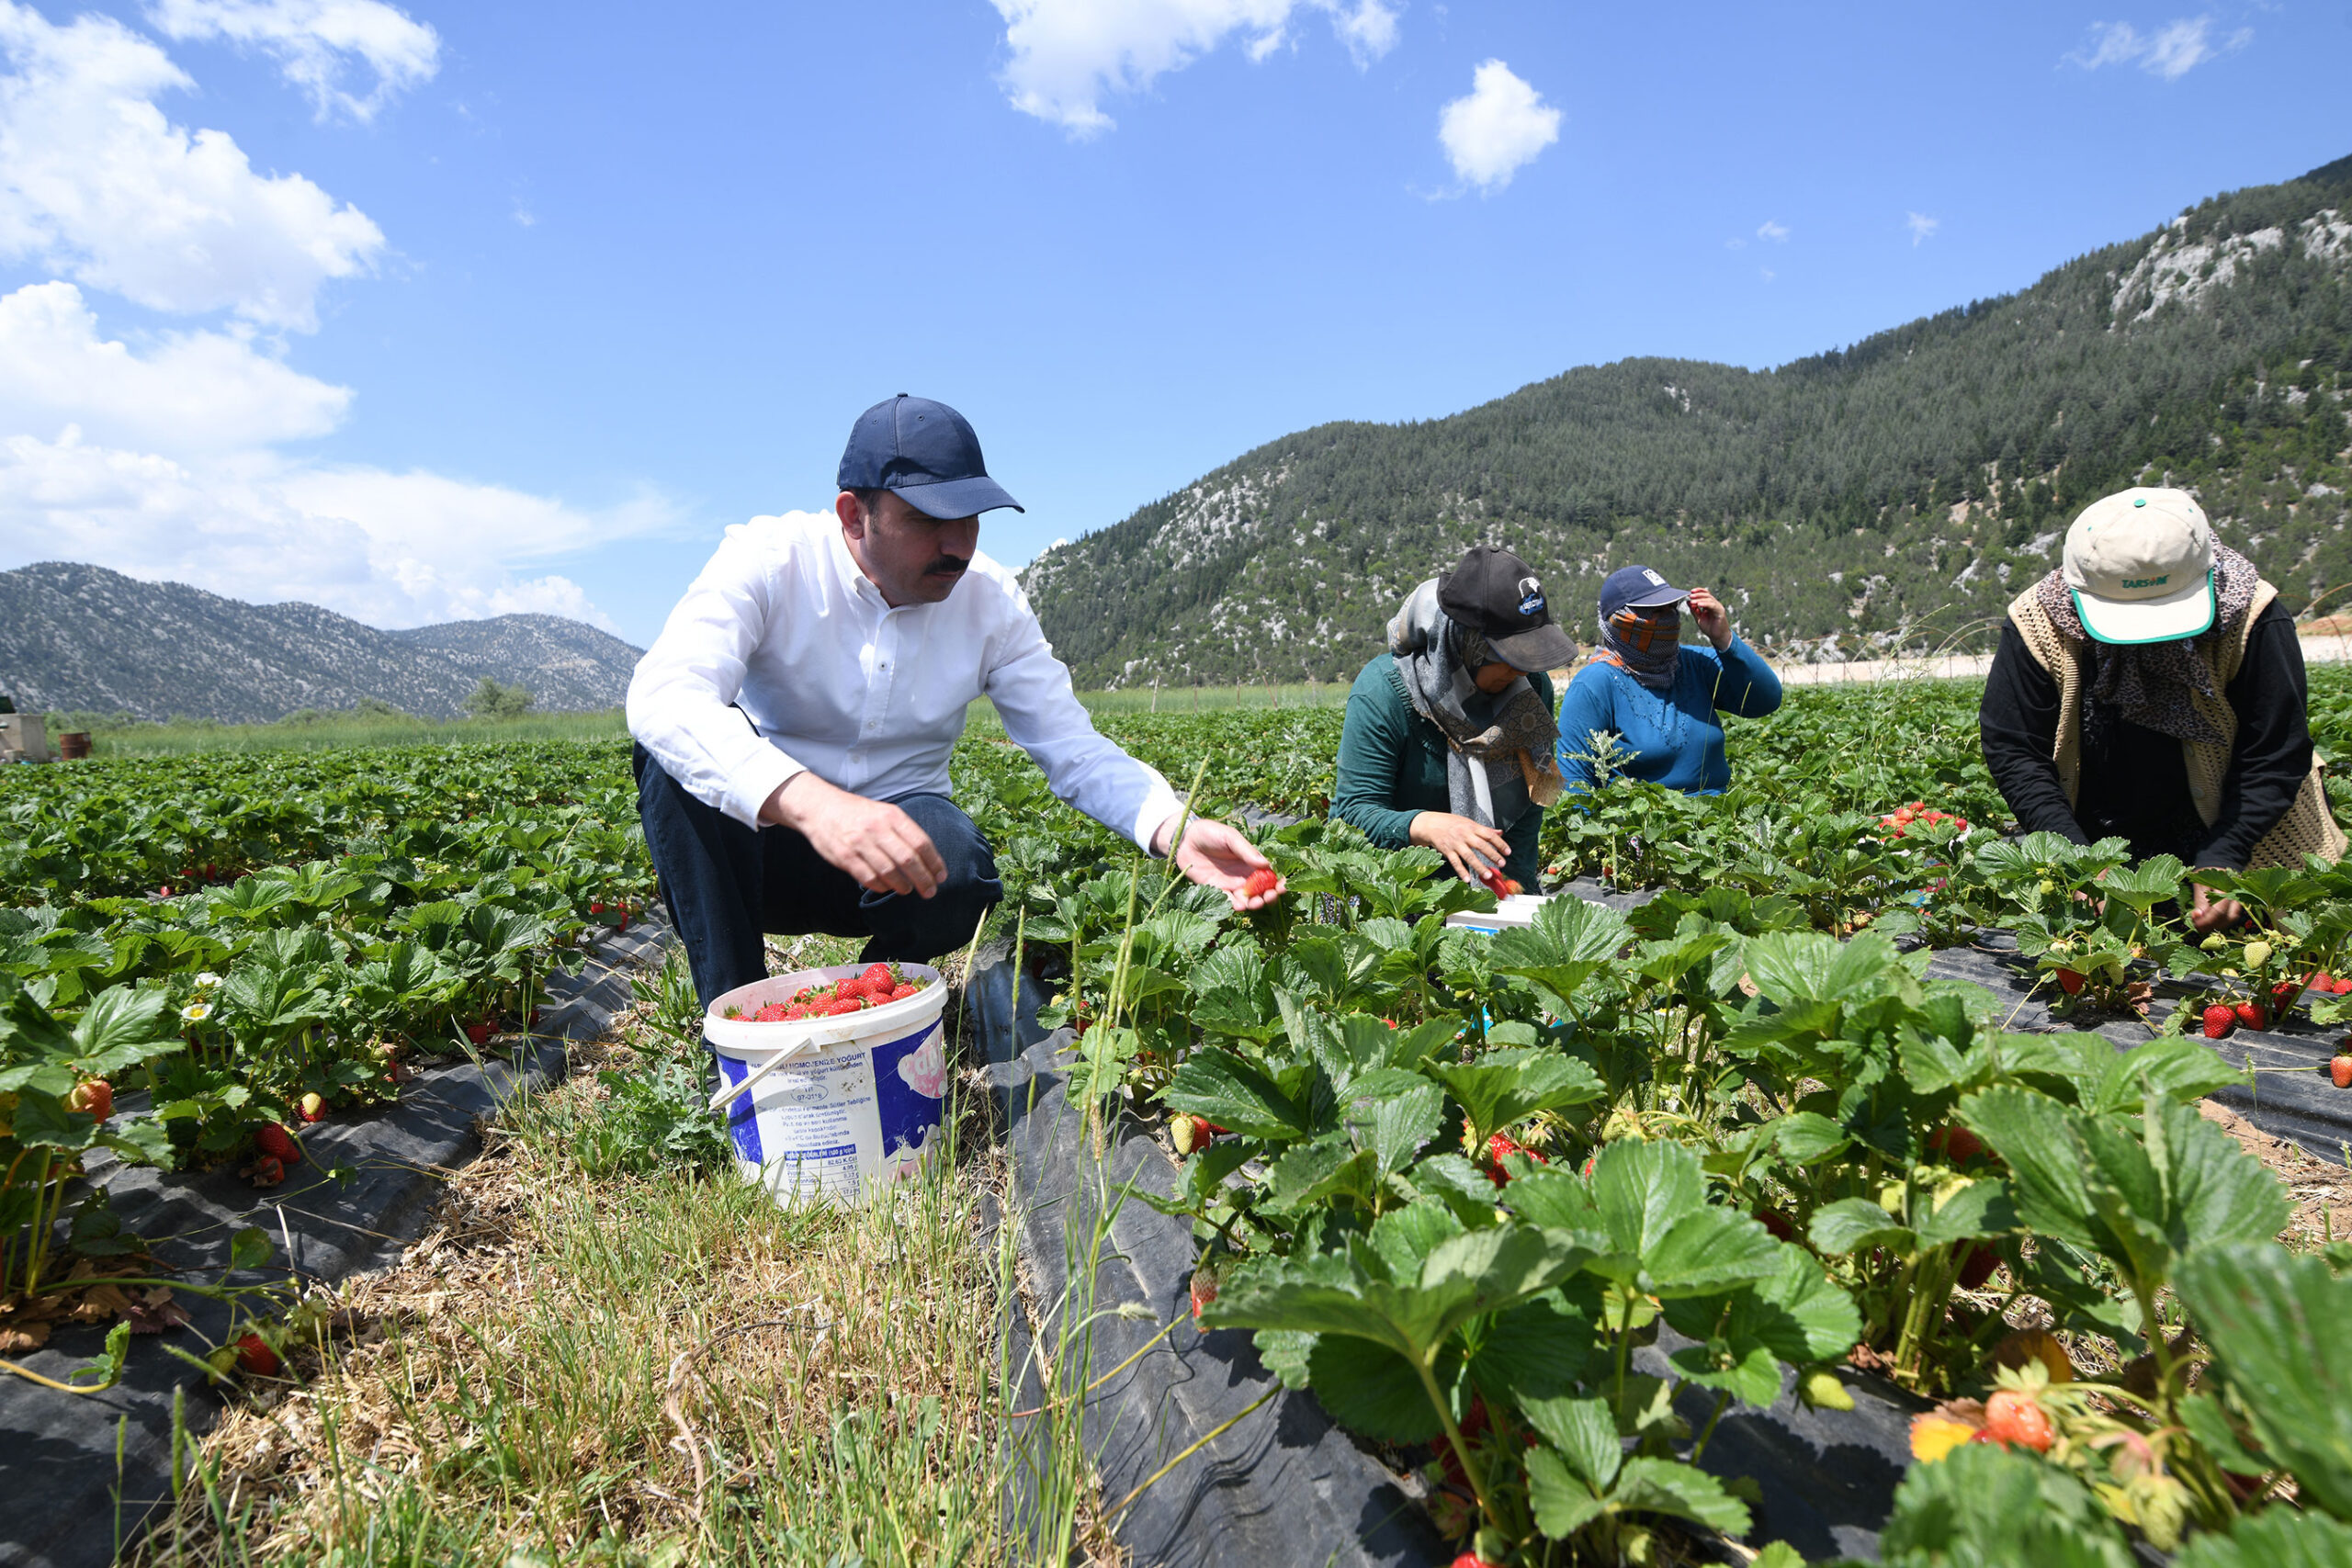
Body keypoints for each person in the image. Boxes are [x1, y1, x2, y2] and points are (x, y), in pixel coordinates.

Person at [628, 394, 1280, 1010]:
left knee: (959, 866)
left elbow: (1072, 747)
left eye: (970, 518)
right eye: (928, 520)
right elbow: (665, 694)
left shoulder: (991, 602)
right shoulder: (772, 561)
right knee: (674, 764)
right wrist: (816, 805)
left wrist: (1173, 827)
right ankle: (738, 1027)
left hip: (898, 863)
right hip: (762, 855)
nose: (959, 545)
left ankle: (873, 1004)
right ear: (853, 516)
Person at [1979, 486, 2345, 931]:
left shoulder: (2251, 614)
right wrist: (2076, 856)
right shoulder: (2039, 622)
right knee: (2110, 956)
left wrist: (2227, 852)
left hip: (2250, 828)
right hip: (2098, 831)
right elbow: (2015, 749)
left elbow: (2275, 750)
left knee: (2279, 950)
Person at [1330, 546, 1575, 888]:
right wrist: (1425, 826)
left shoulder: (1528, 692)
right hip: (1395, 890)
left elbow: (1527, 809)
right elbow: (1351, 816)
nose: (1522, 671)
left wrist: (1515, 889)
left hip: (1488, 889)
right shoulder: (1383, 692)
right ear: (1467, 644)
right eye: (1509, 657)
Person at [1555, 566, 1782, 794]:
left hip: (1718, 811)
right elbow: (1575, 781)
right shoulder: (1595, 684)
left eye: (1671, 607)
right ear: (1619, 620)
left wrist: (1724, 638)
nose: (1668, 617)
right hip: (1643, 814)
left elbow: (1765, 700)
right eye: (1655, 611)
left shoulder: (1695, 664)